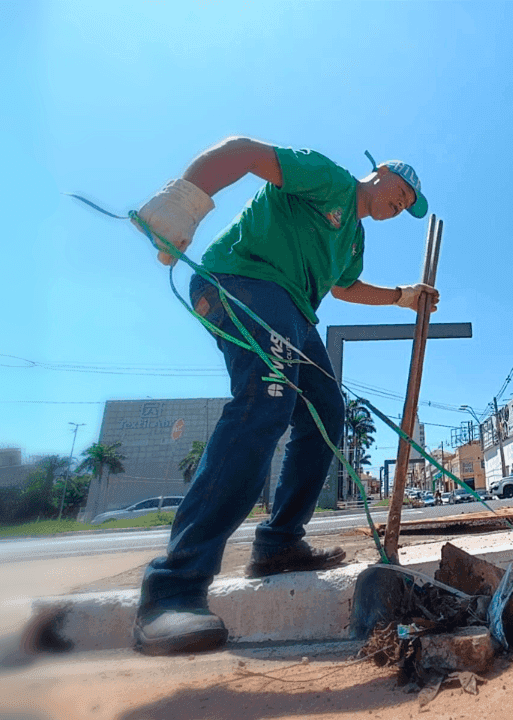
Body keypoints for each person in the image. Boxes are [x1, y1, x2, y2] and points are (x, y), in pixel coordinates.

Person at [130, 137, 439, 655]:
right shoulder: (330, 178)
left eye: (409, 206)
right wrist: (186, 200)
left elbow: (345, 287)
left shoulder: (354, 239)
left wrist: (402, 297)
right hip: (241, 280)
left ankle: (278, 544)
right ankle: (172, 589)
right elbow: (246, 152)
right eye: (401, 190)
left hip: (294, 311)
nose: (401, 204)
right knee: (265, 401)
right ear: (380, 172)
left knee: (326, 411)